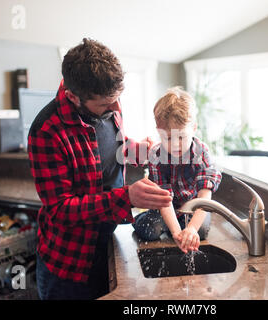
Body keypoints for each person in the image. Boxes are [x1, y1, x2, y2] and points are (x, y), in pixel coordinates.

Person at [27, 38, 172, 300]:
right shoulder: (46, 131)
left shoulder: (105, 101)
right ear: (73, 97)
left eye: (116, 99)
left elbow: (109, 148)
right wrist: (127, 197)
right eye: (106, 104)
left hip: (106, 245)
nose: (115, 108)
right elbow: (60, 209)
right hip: (68, 265)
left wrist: (138, 150)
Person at [132, 87, 222, 253]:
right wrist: (177, 233)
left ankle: (181, 227)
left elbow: (204, 198)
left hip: (193, 208)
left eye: (181, 137)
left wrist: (192, 230)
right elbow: (164, 201)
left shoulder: (202, 153)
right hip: (164, 208)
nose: (174, 144)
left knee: (200, 232)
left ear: (194, 128)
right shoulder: (156, 155)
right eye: (167, 138)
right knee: (149, 230)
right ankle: (154, 222)